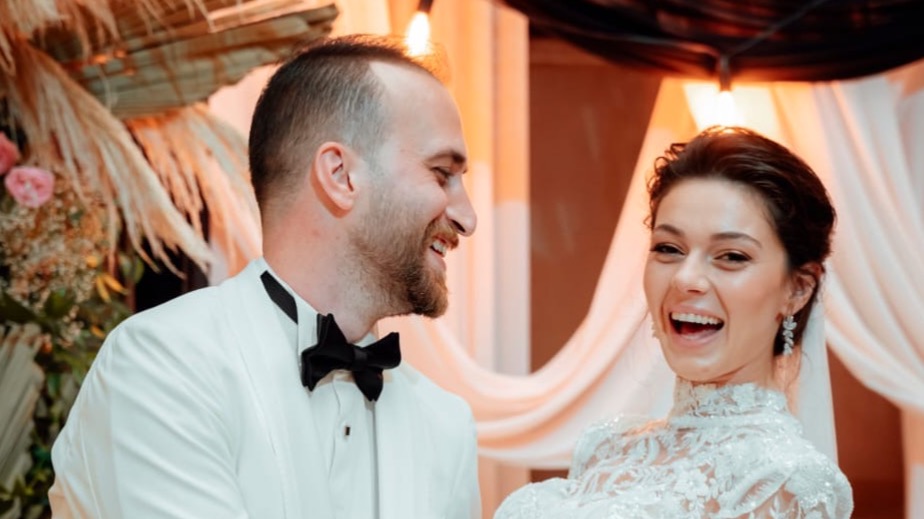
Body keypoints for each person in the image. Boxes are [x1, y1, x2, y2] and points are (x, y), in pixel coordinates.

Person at [49, 34, 481, 519]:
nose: (467, 218)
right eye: (441, 173)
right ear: (340, 175)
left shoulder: (446, 427)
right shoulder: (162, 365)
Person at [495, 127, 853, 518]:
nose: (685, 279)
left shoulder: (785, 480)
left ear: (797, 289)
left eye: (732, 256)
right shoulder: (607, 445)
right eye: (668, 249)